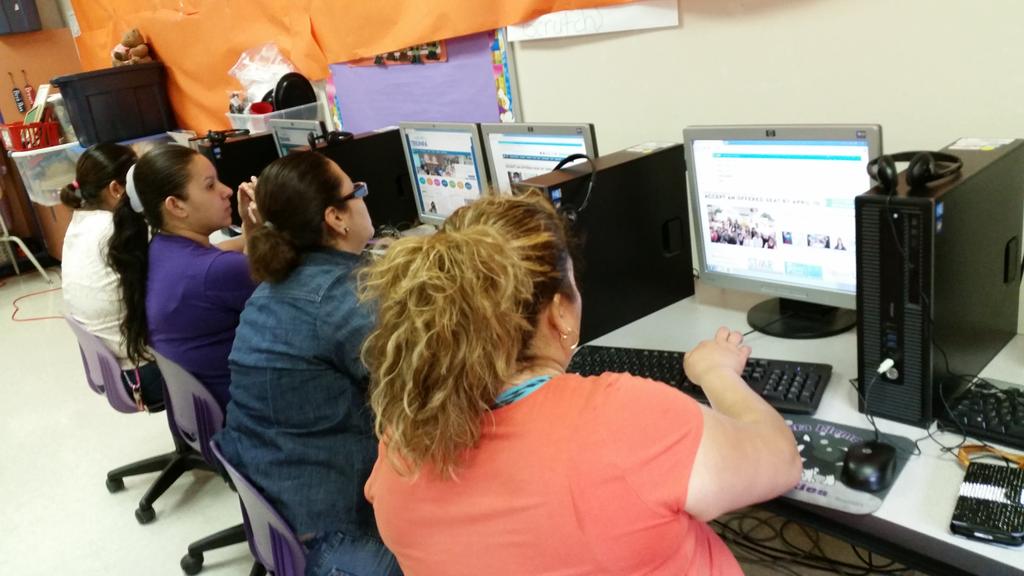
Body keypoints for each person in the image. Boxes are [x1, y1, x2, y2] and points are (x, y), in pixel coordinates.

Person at [360, 192, 802, 575]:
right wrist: (716, 372)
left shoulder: (401, 439)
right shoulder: (620, 421)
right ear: (559, 314)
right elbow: (781, 461)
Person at [215, 152, 400, 576]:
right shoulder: (342, 297)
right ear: (336, 218)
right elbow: (430, 392)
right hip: (339, 537)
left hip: (282, 502)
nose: (364, 199)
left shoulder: (278, 282)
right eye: (358, 191)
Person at [107, 144, 257, 410]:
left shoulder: (158, 250)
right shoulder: (217, 271)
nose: (227, 191)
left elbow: (219, 258)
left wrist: (251, 230)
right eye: (210, 186)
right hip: (247, 414)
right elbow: (302, 307)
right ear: (175, 205)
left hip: (208, 414)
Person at [61, 143, 163, 409]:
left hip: (117, 370)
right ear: (117, 189)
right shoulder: (118, 230)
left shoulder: (80, 222)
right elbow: (188, 264)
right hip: (143, 375)